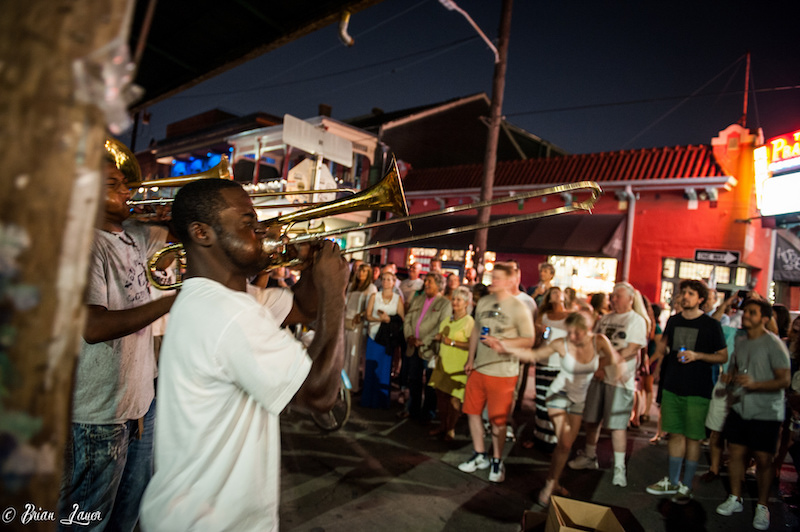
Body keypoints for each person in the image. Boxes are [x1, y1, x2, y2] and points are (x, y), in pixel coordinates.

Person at [139, 178, 348, 532]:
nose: (261, 231)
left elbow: (303, 307)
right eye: (248, 223)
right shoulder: (230, 312)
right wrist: (335, 292)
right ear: (202, 233)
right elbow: (321, 393)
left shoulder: (213, 299)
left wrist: (313, 271)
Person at [57, 143, 175, 532]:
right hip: (98, 416)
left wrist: (175, 217)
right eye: (113, 184)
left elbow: (180, 241)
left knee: (127, 517)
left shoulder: (133, 236)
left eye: (125, 183)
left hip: (139, 404)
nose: (129, 190)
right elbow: (93, 327)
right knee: (86, 523)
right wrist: (171, 302)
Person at [484, 311, 623, 506]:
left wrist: (613, 373)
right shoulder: (561, 343)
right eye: (569, 332)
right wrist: (504, 347)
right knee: (564, 441)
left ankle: (554, 481)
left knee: (565, 446)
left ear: (587, 330)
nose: (572, 337)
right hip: (558, 395)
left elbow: (615, 360)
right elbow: (533, 355)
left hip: (578, 401)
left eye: (576, 333)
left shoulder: (599, 341)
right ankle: (549, 486)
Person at [645, 280, 727, 504]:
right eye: (684, 293)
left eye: (691, 293)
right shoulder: (674, 320)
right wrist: (654, 360)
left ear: (701, 299)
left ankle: (687, 485)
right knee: (674, 434)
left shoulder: (710, 325)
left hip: (698, 390)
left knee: (693, 438)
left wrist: (697, 355)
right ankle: (673, 481)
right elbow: (663, 347)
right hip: (673, 386)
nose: (685, 297)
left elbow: (723, 356)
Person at [714, 299, 790, 531]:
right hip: (740, 407)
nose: (746, 315)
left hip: (765, 411)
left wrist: (756, 384)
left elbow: (784, 380)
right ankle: (735, 497)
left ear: (764, 318)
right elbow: (735, 367)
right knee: (735, 453)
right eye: (745, 311)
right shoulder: (741, 341)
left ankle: (762, 506)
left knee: (764, 460)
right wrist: (729, 377)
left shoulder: (774, 344)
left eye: (752, 312)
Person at [458, 263, 534, 483]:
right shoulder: (484, 301)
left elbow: (529, 339)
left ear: (511, 281)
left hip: (503, 372)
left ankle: (497, 460)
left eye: (499, 278)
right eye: (494, 277)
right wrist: (471, 359)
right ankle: (479, 454)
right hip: (480, 368)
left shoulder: (519, 307)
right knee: (472, 412)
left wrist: (503, 343)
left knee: (498, 421)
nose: (494, 281)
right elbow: (475, 330)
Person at [569, 282, 649, 489]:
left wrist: (602, 365)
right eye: (612, 296)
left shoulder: (636, 320)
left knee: (617, 425)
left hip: (619, 380)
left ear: (630, 299)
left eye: (618, 296)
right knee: (592, 419)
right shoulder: (605, 319)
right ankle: (589, 455)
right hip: (598, 377)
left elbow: (630, 350)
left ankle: (619, 467)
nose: (613, 300)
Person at [403, 272, 452, 422]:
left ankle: (428, 414)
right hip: (413, 347)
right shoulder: (418, 299)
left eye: (430, 282)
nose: (426, 284)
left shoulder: (444, 304)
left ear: (439, 285)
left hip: (430, 349)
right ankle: (413, 410)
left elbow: (442, 326)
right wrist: (409, 336)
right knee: (414, 380)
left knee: (431, 384)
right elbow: (408, 318)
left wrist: (423, 340)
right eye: (426, 281)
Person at [429, 285, 475, 441]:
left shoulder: (469, 322)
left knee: (454, 399)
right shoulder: (448, 319)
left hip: (458, 366)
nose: (455, 302)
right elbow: (442, 335)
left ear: (466, 303)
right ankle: (442, 425)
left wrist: (452, 342)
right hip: (443, 363)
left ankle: (451, 429)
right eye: (454, 299)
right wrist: (439, 338)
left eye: (459, 300)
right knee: (441, 397)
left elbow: (472, 344)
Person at [531, 286, 569, 453]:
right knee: (541, 401)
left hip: (560, 364)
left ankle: (555, 439)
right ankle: (540, 436)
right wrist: (540, 334)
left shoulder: (570, 317)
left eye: (558, 292)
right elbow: (536, 342)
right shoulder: (544, 316)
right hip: (544, 362)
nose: (555, 294)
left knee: (557, 402)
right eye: (552, 292)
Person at [363, 270, 405, 408]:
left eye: (389, 279)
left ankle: (381, 400)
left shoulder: (397, 299)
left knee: (384, 368)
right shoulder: (375, 296)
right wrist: (379, 320)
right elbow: (368, 315)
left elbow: (401, 318)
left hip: (387, 338)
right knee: (371, 368)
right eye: (384, 279)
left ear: (394, 283)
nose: (386, 282)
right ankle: (368, 399)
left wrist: (389, 319)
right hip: (374, 335)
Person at [344, 263, 376, 393]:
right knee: (344, 351)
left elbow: (371, 306)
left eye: (364, 271)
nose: (361, 274)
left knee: (353, 352)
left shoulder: (371, 288)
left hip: (358, 322)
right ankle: (341, 382)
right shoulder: (352, 285)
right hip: (346, 319)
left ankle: (351, 384)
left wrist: (361, 315)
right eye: (359, 271)